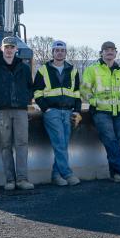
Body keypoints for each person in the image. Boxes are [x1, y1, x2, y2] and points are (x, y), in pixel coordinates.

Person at [0, 36, 35, 191]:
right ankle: (10, 180)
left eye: (12, 47)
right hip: (1, 111)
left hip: (20, 111)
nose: (9, 50)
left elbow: (31, 87)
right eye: (7, 47)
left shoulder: (23, 68)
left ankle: (22, 179)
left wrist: (25, 97)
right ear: (2, 49)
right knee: (5, 145)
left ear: (16, 49)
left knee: (22, 144)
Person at [82, 41, 120, 182]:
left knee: (118, 139)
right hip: (100, 112)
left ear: (116, 52)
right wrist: (95, 102)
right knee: (110, 140)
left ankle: (114, 173)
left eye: (112, 49)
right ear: (101, 53)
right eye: (106, 50)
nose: (109, 52)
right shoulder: (92, 69)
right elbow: (84, 90)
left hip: (118, 112)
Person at [33, 40, 82, 187]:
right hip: (52, 112)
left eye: (62, 50)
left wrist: (77, 110)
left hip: (68, 112)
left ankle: (56, 175)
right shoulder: (43, 70)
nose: (59, 53)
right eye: (56, 50)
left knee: (64, 144)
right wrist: (45, 108)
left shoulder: (73, 70)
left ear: (66, 53)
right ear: (53, 53)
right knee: (60, 142)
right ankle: (67, 173)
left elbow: (77, 93)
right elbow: (37, 92)